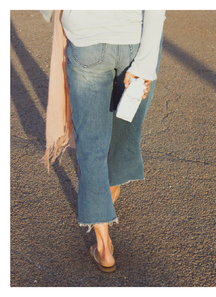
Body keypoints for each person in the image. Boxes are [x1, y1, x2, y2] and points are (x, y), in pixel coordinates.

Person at [41, 10, 165, 273]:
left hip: (86, 40)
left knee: (91, 146)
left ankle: (104, 247)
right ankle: (110, 188)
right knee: (125, 127)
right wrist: (144, 66)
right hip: (134, 40)